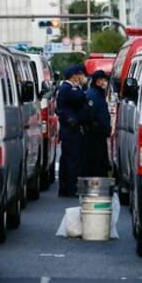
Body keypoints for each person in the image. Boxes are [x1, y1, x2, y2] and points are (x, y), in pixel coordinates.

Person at [56, 64, 87, 197]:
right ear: (75, 76)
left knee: (67, 159)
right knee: (73, 160)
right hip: (71, 130)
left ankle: (65, 188)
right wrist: (84, 87)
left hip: (68, 130)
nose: (82, 77)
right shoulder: (67, 89)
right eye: (80, 75)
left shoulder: (66, 88)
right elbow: (80, 97)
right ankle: (71, 189)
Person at [81, 70, 112, 177]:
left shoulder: (98, 94)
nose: (105, 82)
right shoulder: (92, 95)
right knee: (94, 163)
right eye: (104, 80)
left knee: (100, 163)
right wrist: (96, 126)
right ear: (98, 81)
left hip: (100, 135)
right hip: (94, 136)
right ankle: (93, 186)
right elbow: (89, 115)